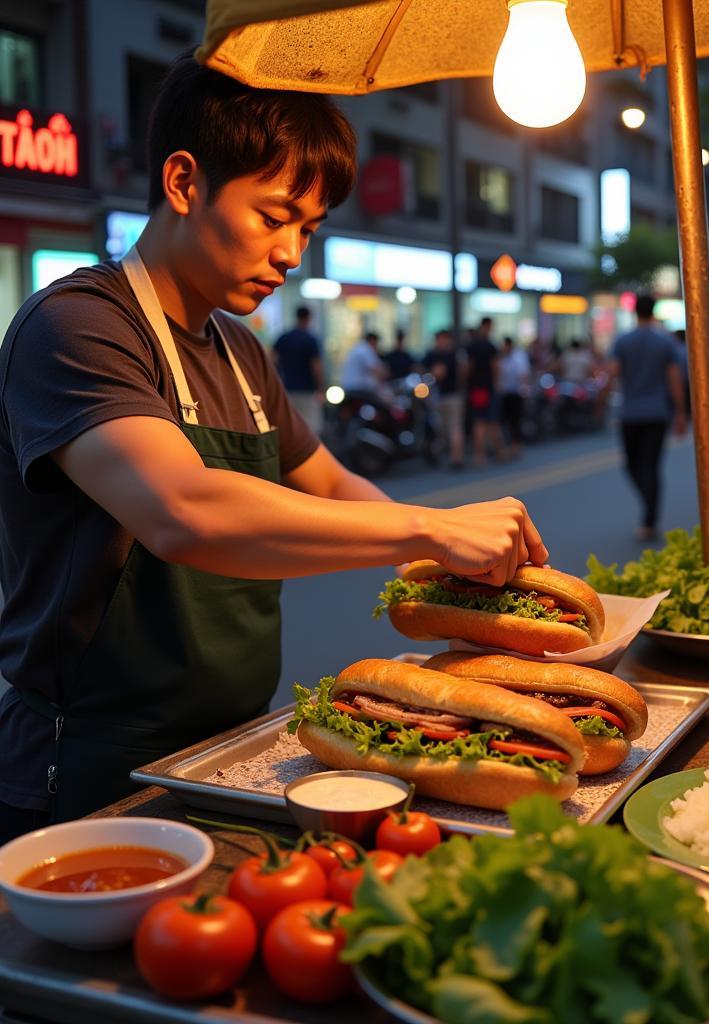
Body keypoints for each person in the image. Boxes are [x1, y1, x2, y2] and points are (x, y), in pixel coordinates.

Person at [0, 56, 548, 842]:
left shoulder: (237, 347)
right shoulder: (79, 326)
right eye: (274, 215)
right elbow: (183, 510)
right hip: (88, 759)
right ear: (185, 182)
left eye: (310, 228)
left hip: (232, 742)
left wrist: (457, 578)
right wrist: (431, 527)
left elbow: (329, 481)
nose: (294, 252)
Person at [608, 294, 688, 541]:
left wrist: (600, 402)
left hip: (630, 413)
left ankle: (649, 515)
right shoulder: (665, 342)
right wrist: (681, 413)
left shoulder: (623, 340)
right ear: (653, 311)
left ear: (634, 311)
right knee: (650, 466)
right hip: (656, 413)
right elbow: (674, 380)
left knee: (632, 465)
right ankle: (650, 512)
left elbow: (612, 374)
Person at [273, 306, 324, 433]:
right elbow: (316, 366)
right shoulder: (310, 340)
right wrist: (321, 387)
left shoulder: (284, 337)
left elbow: (272, 360)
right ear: (308, 318)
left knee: (290, 426)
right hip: (307, 390)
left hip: (287, 389)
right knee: (311, 427)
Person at [423, 327, 466, 470]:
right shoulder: (448, 354)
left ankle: (456, 458)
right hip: (443, 396)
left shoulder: (449, 355)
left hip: (449, 395)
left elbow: (438, 373)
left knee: (453, 428)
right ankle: (454, 457)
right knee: (448, 428)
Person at [465, 317, 506, 466]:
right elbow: (495, 367)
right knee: (492, 422)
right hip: (488, 387)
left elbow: (468, 368)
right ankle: (499, 452)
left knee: (479, 422)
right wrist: (496, 384)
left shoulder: (472, 345)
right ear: (488, 326)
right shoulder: (490, 346)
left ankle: (479, 456)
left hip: (476, 388)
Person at [497, 336, 531, 459]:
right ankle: (506, 446)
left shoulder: (518, 356)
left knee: (515, 421)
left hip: (516, 393)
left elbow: (523, 374)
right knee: (504, 420)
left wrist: (525, 389)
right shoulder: (501, 357)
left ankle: (516, 445)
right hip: (504, 393)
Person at [341, 330, 386, 399]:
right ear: (373, 341)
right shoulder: (366, 349)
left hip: (348, 387)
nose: (377, 346)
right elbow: (376, 370)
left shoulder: (358, 348)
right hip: (358, 389)